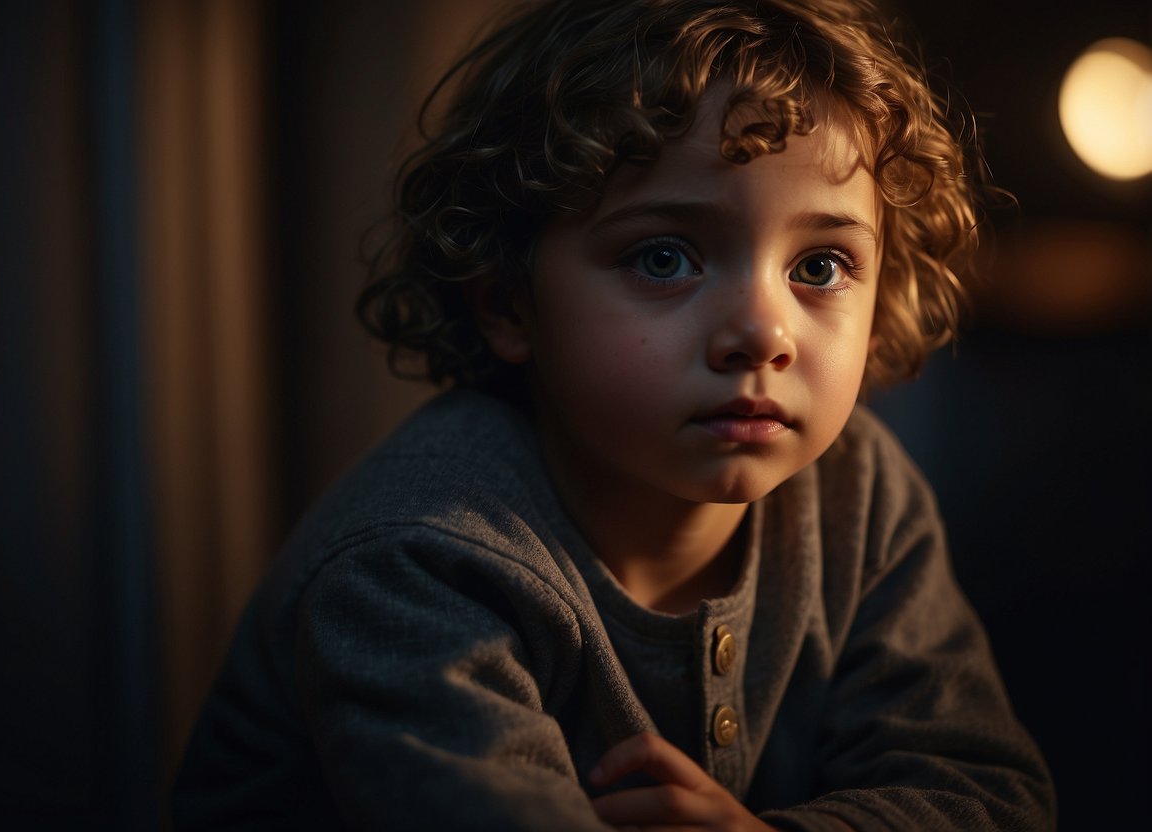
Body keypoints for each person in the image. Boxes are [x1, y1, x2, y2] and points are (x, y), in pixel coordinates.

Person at [172, 0, 1055, 829]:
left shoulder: (859, 495)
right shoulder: (420, 560)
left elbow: (989, 792)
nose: (761, 331)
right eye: (664, 256)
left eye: (820, 266)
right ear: (509, 304)